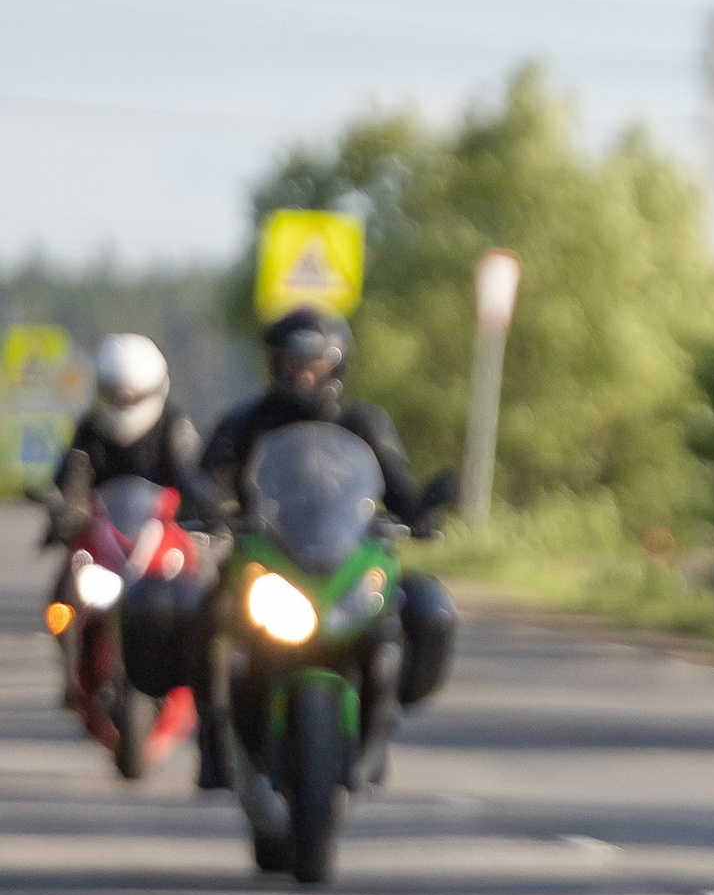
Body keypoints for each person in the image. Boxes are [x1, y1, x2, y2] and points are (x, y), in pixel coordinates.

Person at [185, 306, 458, 790]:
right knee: (203, 613)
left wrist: (421, 512)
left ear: (337, 364)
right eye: (294, 362)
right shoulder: (246, 422)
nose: (305, 371)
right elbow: (208, 479)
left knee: (414, 607)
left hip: (345, 555)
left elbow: (397, 485)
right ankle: (213, 738)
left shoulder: (363, 423)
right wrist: (201, 504)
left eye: (317, 360)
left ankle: (382, 722)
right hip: (267, 554)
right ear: (276, 364)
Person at [40, 334, 200, 544]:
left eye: (132, 397)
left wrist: (199, 520)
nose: (123, 403)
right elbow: (68, 484)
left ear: (154, 389)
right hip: (99, 544)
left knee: (200, 574)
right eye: (113, 394)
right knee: (68, 575)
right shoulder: (90, 430)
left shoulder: (174, 429)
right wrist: (69, 512)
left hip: (163, 544)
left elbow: (194, 486)